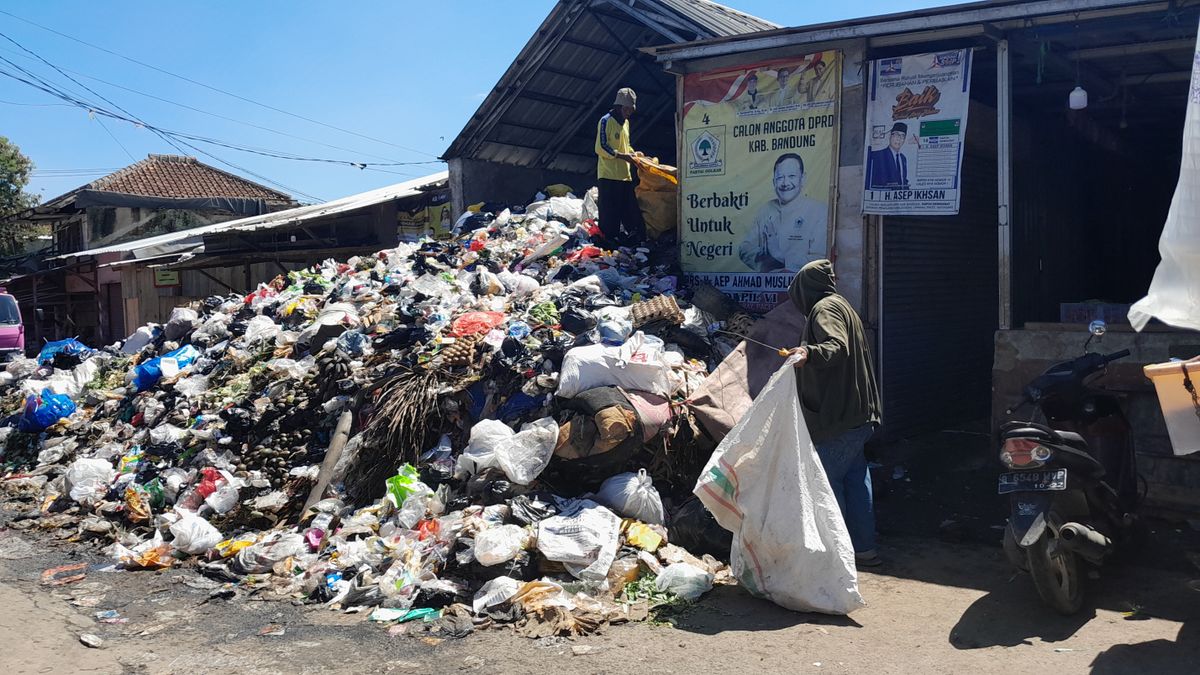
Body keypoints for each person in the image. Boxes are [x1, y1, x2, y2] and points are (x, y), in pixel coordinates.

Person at [788, 259, 883, 568]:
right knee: (856, 480)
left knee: (827, 485)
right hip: (857, 414)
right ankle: (864, 549)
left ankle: (836, 557)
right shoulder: (841, 304)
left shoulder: (824, 310)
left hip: (840, 417)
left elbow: (836, 346)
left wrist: (807, 353)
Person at [737, 153, 828, 272]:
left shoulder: (819, 211)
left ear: (803, 178)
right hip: (768, 287)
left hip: (801, 287)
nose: (785, 183)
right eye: (780, 178)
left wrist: (781, 257)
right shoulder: (766, 209)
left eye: (791, 176)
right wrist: (765, 261)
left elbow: (820, 261)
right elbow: (745, 248)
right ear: (774, 181)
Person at [594, 87, 646, 246]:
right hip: (608, 175)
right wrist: (622, 156)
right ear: (618, 107)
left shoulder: (626, 124)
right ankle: (608, 240)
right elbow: (601, 146)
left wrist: (635, 155)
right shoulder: (606, 120)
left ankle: (632, 238)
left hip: (625, 175)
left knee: (628, 209)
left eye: (631, 109)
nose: (629, 112)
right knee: (609, 211)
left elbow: (626, 145)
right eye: (626, 109)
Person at [865, 122, 910, 189]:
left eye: (902, 136)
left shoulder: (903, 159)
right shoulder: (877, 156)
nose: (899, 139)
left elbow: (903, 181)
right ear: (890, 135)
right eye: (896, 135)